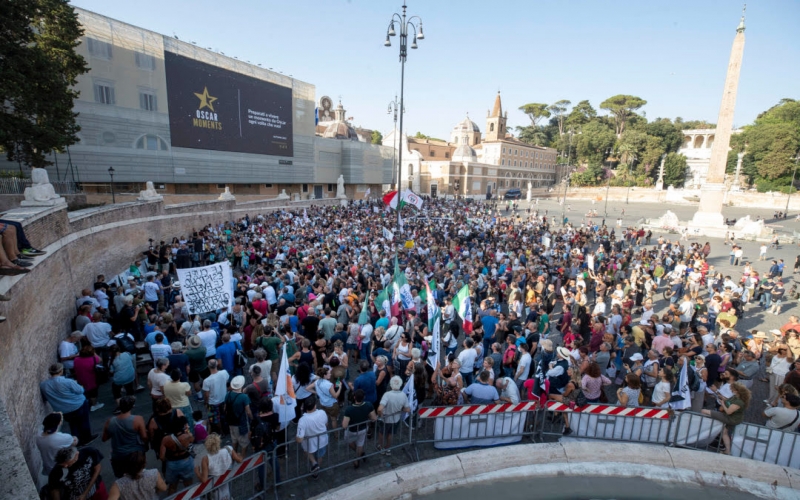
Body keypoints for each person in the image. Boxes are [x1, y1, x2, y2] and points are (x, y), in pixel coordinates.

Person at [39, 363, 96, 446]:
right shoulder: (68, 381)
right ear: (61, 371)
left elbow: (46, 398)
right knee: (84, 422)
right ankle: (86, 439)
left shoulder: (44, 385)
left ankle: (77, 442)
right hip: (78, 405)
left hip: (64, 409)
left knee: (73, 425)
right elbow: (80, 390)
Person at [102, 396, 148, 478]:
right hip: (134, 455)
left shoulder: (110, 421)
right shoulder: (138, 419)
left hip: (118, 455)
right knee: (137, 476)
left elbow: (104, 439)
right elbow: (144, 437)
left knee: (122, 479)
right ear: (132, 406)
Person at [702, 382, 751, 454]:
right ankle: (727, 450)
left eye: (732, 389)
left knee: (704, 411)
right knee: (724, 432)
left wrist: (722, 404)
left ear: (736, 390)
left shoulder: (738, 402)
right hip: (732, 417)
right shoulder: (736, 397)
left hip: (730, 418)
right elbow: (728, 402)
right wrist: (722, 399)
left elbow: (728, 412)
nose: (731, 390)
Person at [36, 412, 78, 488]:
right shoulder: (63, 438)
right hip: (61, 466)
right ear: (58, 424)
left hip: (48, 466)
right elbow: (74, 442)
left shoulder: (38, 436)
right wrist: (75, 438)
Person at [195, 433, 242, 499]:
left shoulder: (206, 459)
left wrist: (197, 472)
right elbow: (239, 460)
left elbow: (204, 479)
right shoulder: (228, 449)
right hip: (226, 482)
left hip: (214, 488)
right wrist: (239, 455)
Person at [341, 388, 378, 469]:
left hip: (351, 431)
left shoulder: (349, 409)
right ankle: (359, 455)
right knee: (360, 444)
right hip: (363, 429)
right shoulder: (368, 405)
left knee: (349, 441)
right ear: (364, 397)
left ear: (354, 397)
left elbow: (344, 425)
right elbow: (374, 418)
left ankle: (358, 456)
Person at [160, 415, 195, 494]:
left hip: (172, 464)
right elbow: (192, 441)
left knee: (172, 487)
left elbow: (162, 457)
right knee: (189, 485)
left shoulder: (166, 439)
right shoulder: (188, 436)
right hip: (186, 462)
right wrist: (188, 431)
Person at [295, 395, 328, 478]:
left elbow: (299, 440)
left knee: (307, 451)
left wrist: (296, 437)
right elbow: (326, 424)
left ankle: (314, 463)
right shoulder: (322, 413)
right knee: (320, 455)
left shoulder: (303, 420)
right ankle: (316, 468)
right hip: (322, 440)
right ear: (315, 405)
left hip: (309, 443)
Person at [376, 376, 410, 455]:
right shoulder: (403, 395)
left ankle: (381, 447)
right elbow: (408, 409)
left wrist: (380, 415)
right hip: (396, 419)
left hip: (386, 418)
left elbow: (380, 409)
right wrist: (400, 410)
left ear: (391, 385)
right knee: (390, 433)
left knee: (381, 432)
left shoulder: (387, 394)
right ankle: (388, 448)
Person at [224, 375, 253, 455]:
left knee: (234, 439)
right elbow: (248, 412)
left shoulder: (228, 395)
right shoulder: (244, 397)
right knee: (244, 442)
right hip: (241, 423)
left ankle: (234, 454)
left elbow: (225, 408)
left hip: (231, 422)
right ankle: (242, 458)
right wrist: (252, 419)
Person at [73, 343, 105, 412]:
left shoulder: (76, 359)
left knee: (85, 390)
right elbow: (100, 360)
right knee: (93, 392)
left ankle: (87, 401)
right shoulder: (93, 359)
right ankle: (94, 405)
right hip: (91, 378)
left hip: (80, 377)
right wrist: (95, 353)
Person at [202, 359, 229, 435]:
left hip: (213, 402)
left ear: (208, 367)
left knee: (216, 419)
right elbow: (226, 382)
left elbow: (206, 395)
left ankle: (220, 431)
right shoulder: (224, 372)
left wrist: (206, 402)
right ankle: (226, 428)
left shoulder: (207, 381)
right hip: (224, 398)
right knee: (224, 414)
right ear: (217, 364)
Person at [108, 344, 137, 413]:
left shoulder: (112, 361)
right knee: (130, 389)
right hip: (130, 376)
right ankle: (131, 403)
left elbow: (111, 371)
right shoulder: (127, 354)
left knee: (116, 393)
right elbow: (131, 359)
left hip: (119, 379)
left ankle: (121, 407)